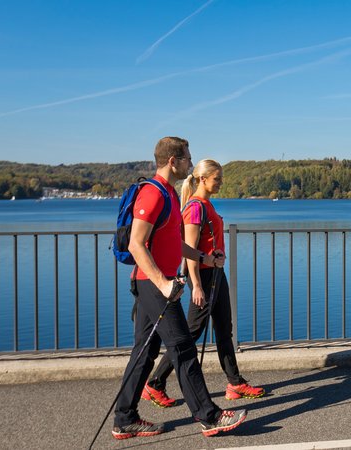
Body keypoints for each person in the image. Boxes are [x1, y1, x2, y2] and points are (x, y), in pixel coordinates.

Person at [112, 137, 246, 440]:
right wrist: (163, 282)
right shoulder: (154, 194)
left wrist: (204, 257)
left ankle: (124, 418)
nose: (190, 161)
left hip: (155, 283)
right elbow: (136, 244)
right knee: (183, 347)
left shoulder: (170, 194)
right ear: (173, 160)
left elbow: (175, 243)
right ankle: (210, 417)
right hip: (152, 284)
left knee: (145, 353)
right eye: (187, 157)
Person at [141, 159, 265, 407]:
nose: (220, 182)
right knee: (190, 334)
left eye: (221, 178)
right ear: (203, 179)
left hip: (216, 275)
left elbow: (206, 245)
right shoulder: (195, 208)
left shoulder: (205, 205)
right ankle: (155, 383)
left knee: (224, 329)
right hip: (205, 279)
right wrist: (196, 285)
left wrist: (218, 255)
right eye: (217, 178)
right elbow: (190, 251)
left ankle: (234, 383)